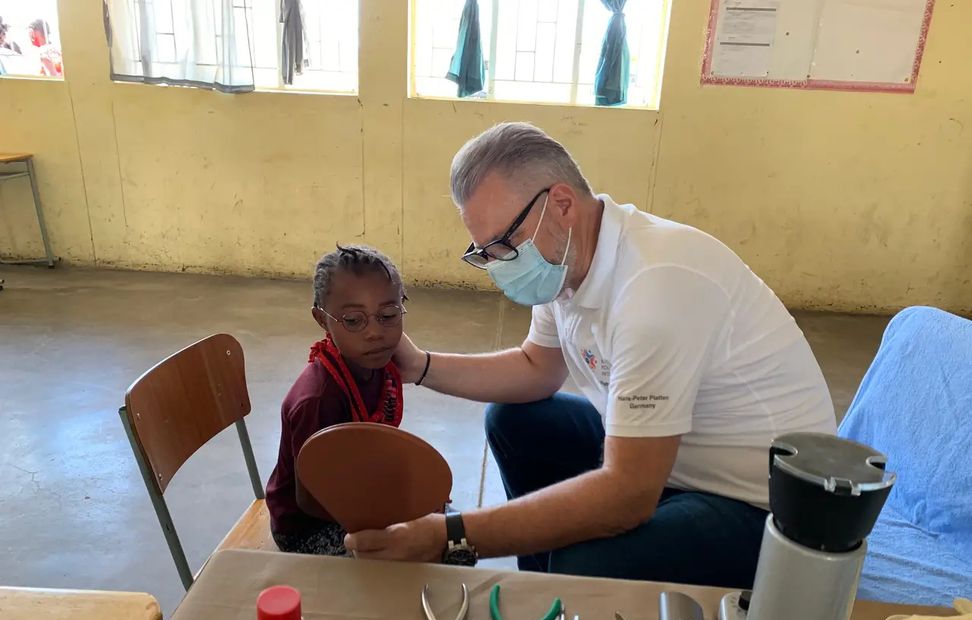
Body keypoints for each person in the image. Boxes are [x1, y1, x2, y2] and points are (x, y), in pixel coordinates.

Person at [345, 122, 837, 589]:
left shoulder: (654, 288)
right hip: (679, 460)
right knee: (517, 423)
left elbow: (628, 495)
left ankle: (567, 590)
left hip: (766, 509)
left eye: (503, 245)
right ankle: (545, 588)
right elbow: (537, 369)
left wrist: (447, 535)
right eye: (484, 253)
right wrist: (419, 367)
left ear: (561, 204)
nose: (497, 267)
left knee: (587, 566)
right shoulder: (568, 264)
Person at [266, 245, 408, 555]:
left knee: (454, 536)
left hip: (357, 491)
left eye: (387, 315)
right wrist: (387, 514)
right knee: (419, 552)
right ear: (322, 319)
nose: (375, 333)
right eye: (354, 320)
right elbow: (311, 500)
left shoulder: (379, 366)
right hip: (307, 527)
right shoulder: (318, 400)